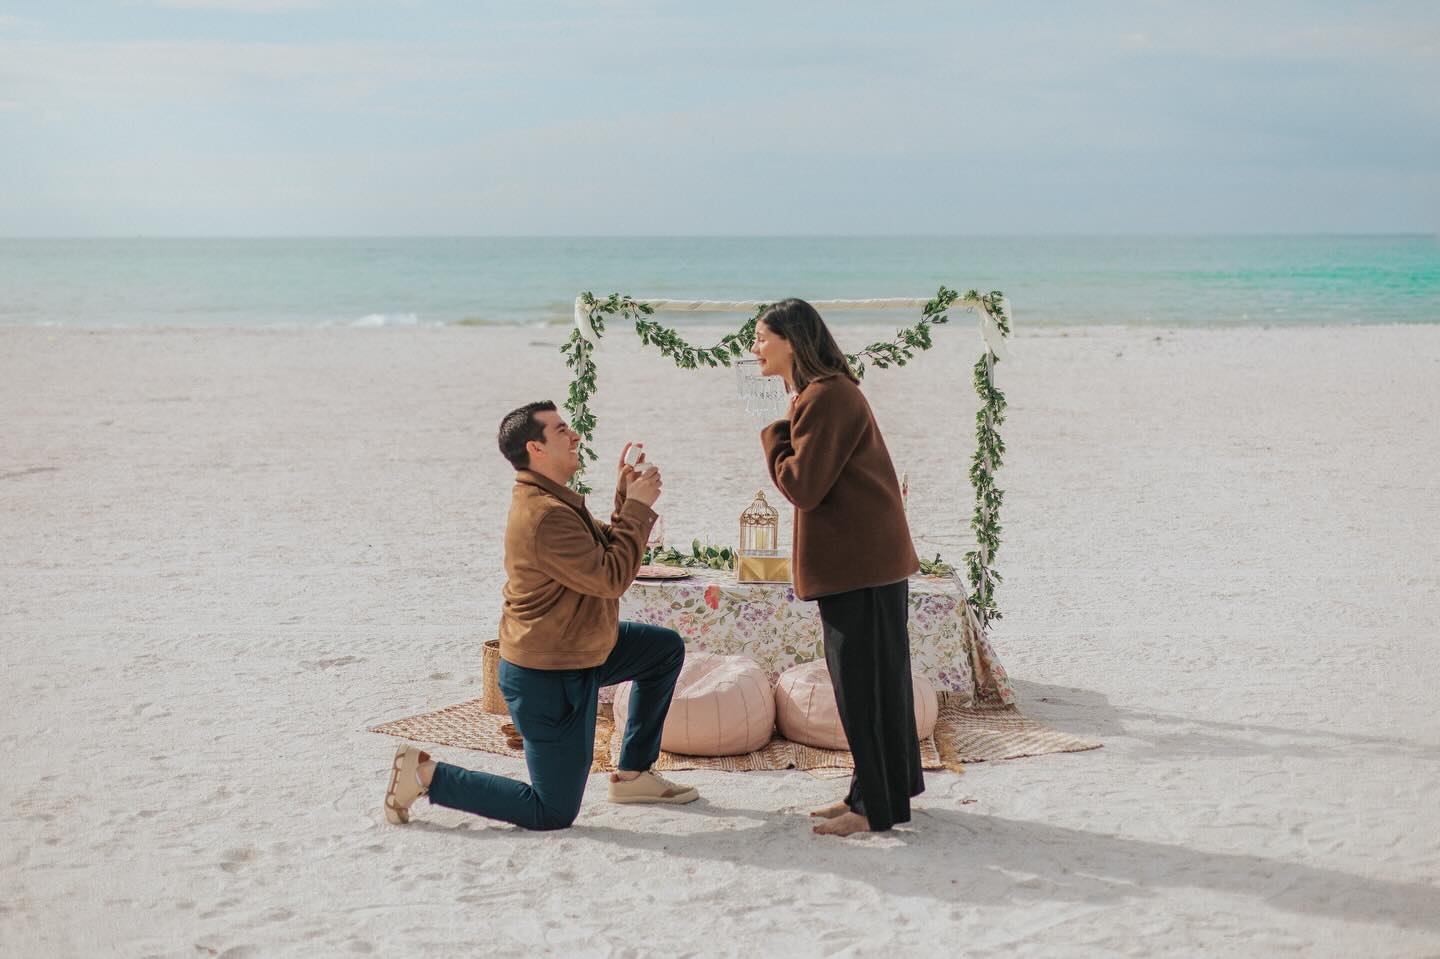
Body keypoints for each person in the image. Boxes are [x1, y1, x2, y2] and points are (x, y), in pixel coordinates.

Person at [382, 401, 699, 828]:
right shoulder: (546, 514)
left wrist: (626, 499)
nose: (575, 436)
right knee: (551, 811)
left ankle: (633, 774)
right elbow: (611, 577)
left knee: (661, 650)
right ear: (536, 447)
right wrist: (639, 509)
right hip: (548, 674)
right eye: (562, 430)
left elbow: (600, 550)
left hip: (581, 647)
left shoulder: (553, 499)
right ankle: (424, 775)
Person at [752, 299, 923, 838]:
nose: (753, 348)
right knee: (877, 682)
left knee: (863, 686)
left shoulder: (826, 396)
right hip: (868, 561)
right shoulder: (825, 393)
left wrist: (774, 434)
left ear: (792, 342)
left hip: (861, 565)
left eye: (761, 337)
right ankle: (880, 792)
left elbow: (802, 486)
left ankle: (873, 805)